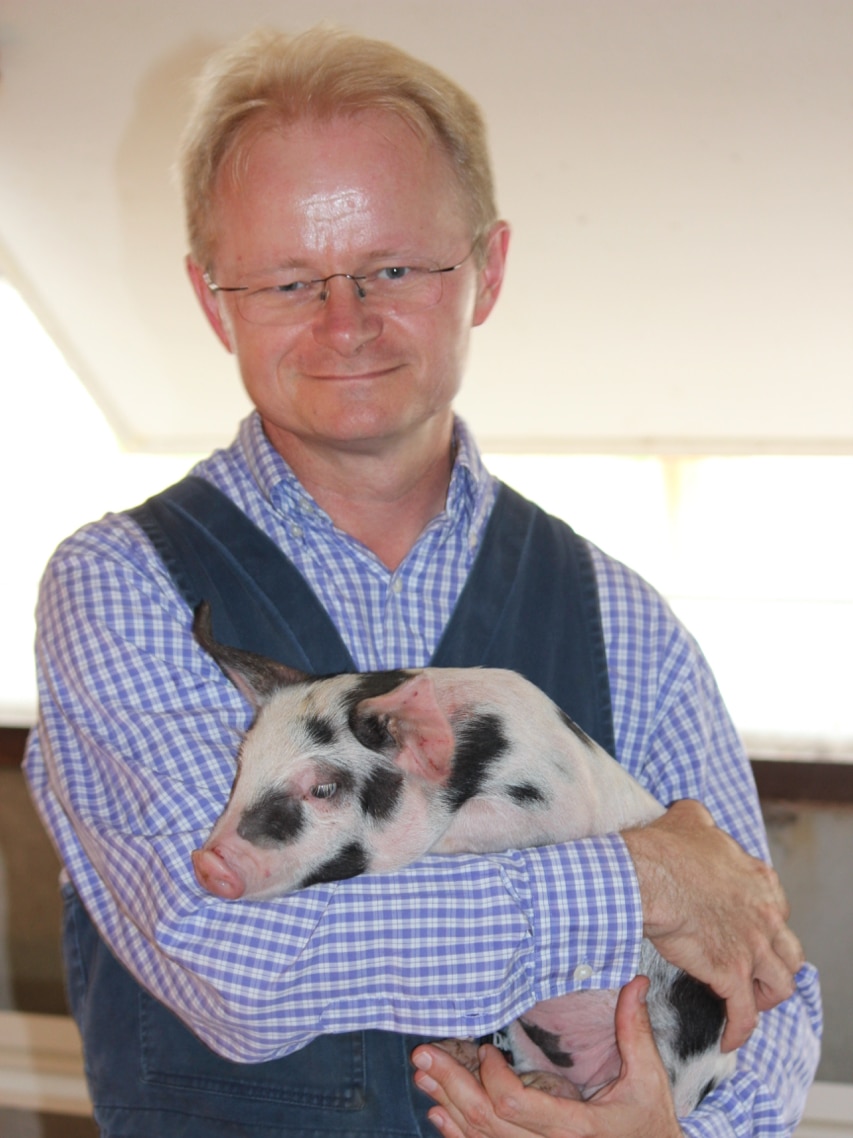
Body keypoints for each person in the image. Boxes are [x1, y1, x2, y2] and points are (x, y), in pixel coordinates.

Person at [24, 25, 820, 1138]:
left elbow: (772, 985)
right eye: (288, 278)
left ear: (486, 271)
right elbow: (242, 969)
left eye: (393, 268)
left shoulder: (622, 619)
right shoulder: (124, 590)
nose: (343, 322)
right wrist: (637, 877)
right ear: (215, 304)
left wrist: (677, 1134)